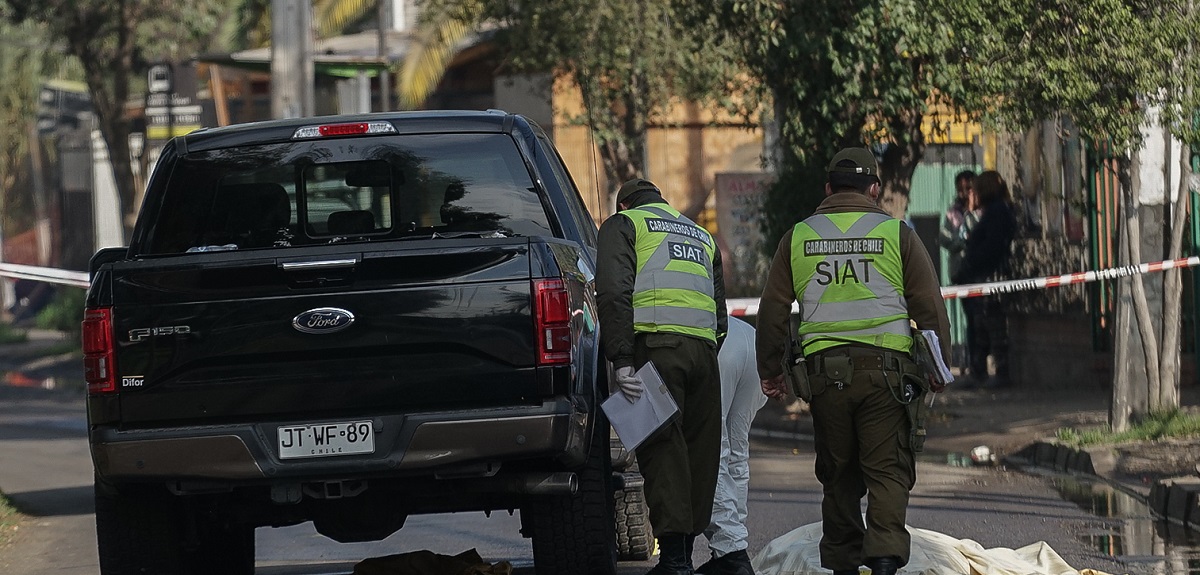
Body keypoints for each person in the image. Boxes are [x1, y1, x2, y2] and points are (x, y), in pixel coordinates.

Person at [755, 148, 951, 575]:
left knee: (838, 472)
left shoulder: (798, 238)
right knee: (887, 469)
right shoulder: (896, 234)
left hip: (825, 380)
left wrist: (770, 372)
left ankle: (844, 562)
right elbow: (930, 307)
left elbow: (772, 310)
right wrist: (939, 367)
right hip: (887, 377)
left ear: (828, 188)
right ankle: (883, 561)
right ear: (875, 189)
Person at [596, 178, 729, 575]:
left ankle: (673, 561)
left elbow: (614, 292)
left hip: (656, 351)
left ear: (624, 204)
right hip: (704, 353)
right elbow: (720, 314)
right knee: (699, 452)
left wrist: (621, 358)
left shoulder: (626, 225)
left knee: (662, 449)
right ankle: (684, 554)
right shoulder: (700, 234)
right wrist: (705, 348)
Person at [696, 315, 767, 575]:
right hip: (750, 340)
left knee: (712, 452)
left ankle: (730, 550)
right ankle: (732, 542)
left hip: (718, 343)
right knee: (736, 454)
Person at [952, 170, 1017, 388]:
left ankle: (1000, 373)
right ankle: (978, 371)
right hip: (982, 278)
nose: (974, 194)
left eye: (978, 189)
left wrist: (973, 261)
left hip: (990, 279)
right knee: (980, 326)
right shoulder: (995, 211)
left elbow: (992, 247)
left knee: (993, 326)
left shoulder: (997, 212)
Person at [938, 170, 979, 377]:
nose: (964, 193)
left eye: (968, 188)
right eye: (960, 189)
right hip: (960, 271)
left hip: (978, 272)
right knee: (967, 318)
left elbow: (977, 234)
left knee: (979, 319)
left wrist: (970, 212)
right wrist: (962, 241)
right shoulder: (953, 212)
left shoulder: (980, 211)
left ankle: (978, 363)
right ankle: (968, 363)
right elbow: (945, 238)